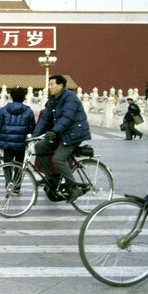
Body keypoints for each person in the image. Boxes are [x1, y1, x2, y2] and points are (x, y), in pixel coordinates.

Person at [32, 74, 92, 203]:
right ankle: (52, 178)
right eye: (49, 85)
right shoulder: (53, 99)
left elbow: (67, 117)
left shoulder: (70, 97)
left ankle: (74, 187)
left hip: (74, 133)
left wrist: (54, 131)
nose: (50, 87)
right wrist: (34, 135)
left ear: (61, 85)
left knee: (58, 159)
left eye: (52, 84)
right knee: (39, 147)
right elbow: (45, 118)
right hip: (61, 133)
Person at [0, 87, 36, 190]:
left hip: (7, 142)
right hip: (21, 143)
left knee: (7, 164)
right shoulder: (28, 111)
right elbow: (32, 127)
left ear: (11, 96)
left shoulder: (3, 110)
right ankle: (17, 187)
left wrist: (4, 134)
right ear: (24, 97)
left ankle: (8, 184)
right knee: (19, 164)